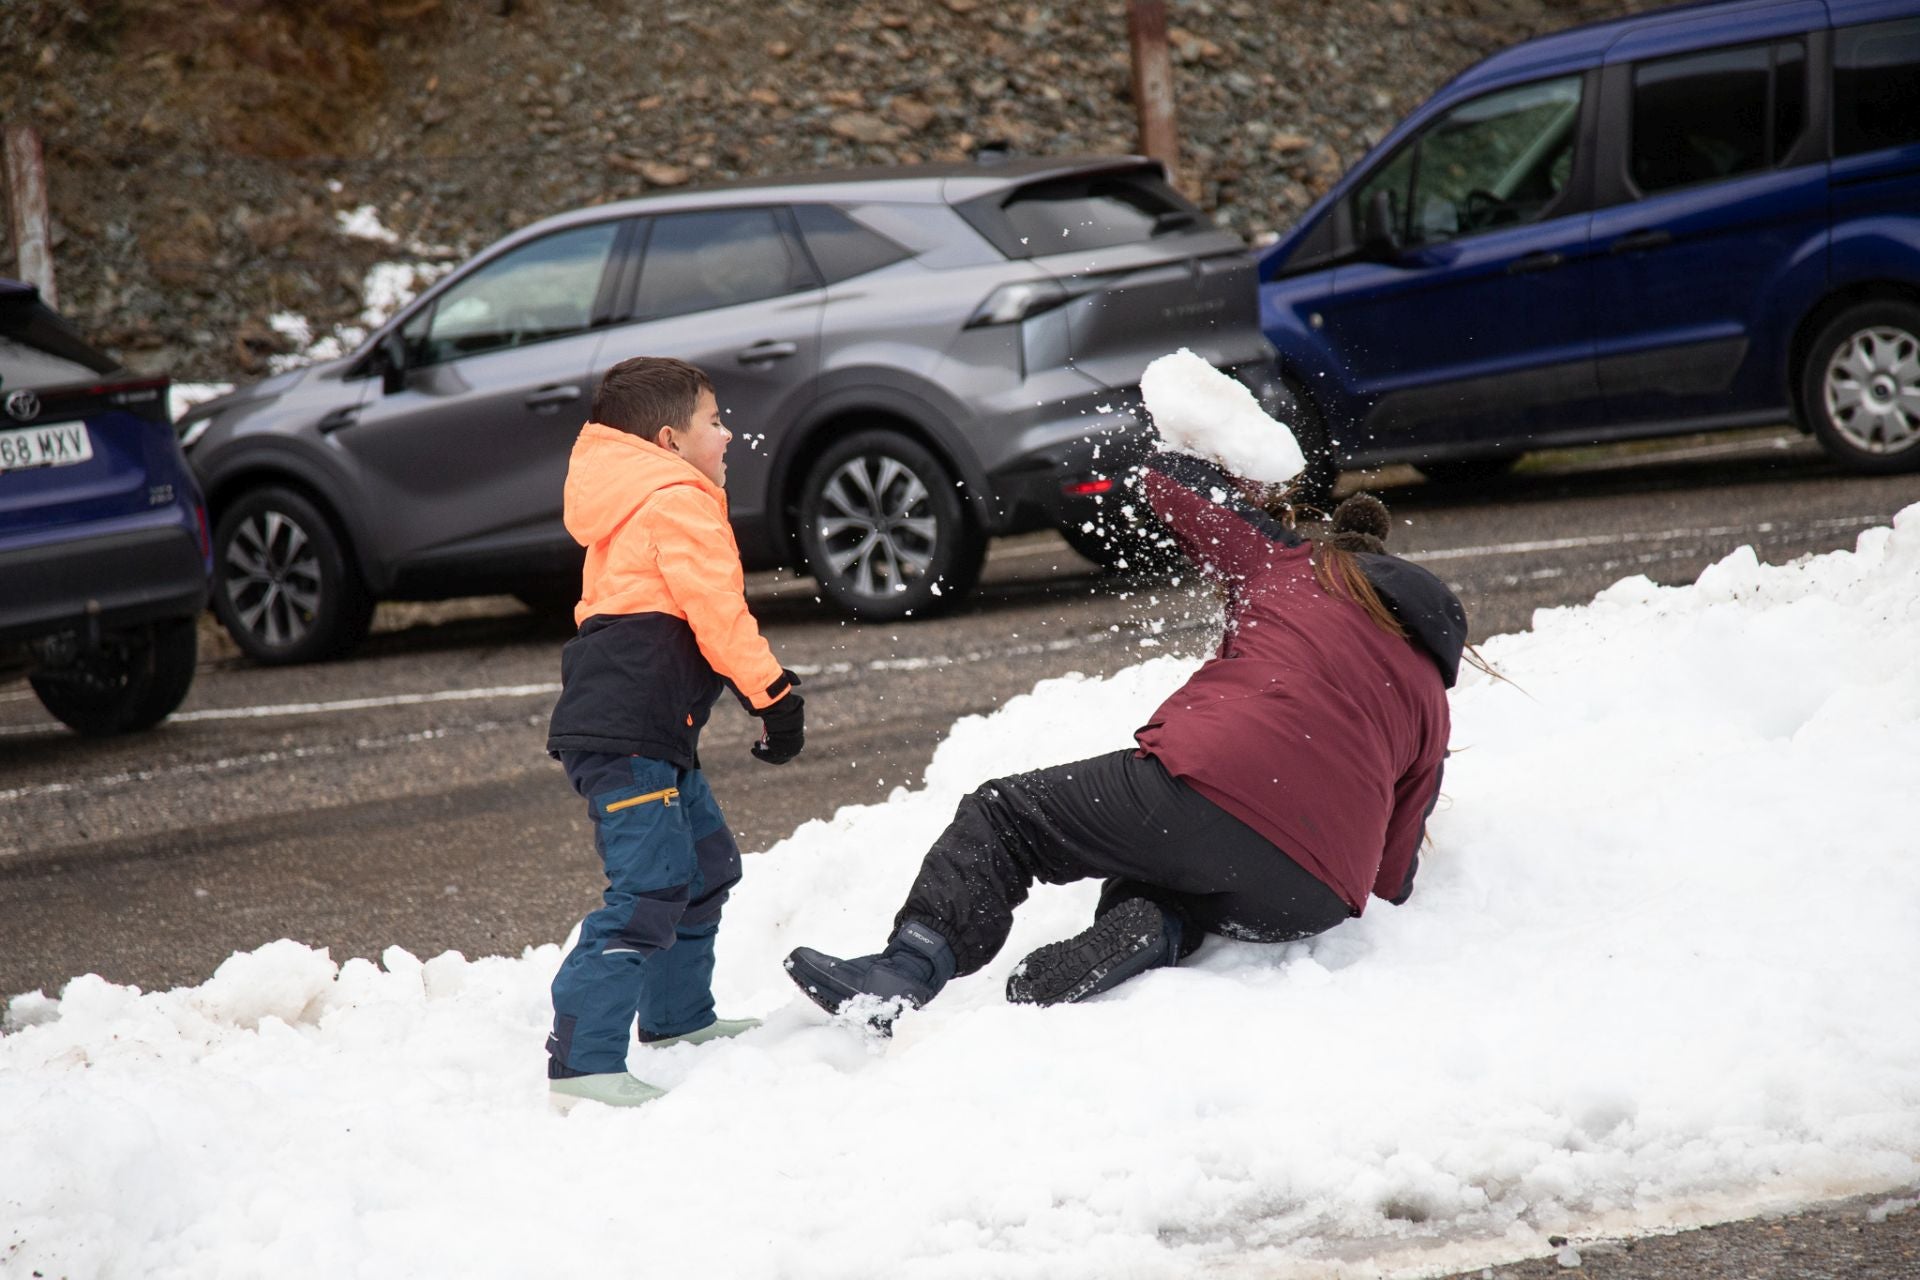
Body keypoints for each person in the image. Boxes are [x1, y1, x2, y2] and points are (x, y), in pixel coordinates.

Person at [784, 450, 1467, 1026]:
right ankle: (1156, 927)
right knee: (1173, 867)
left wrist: (1213, 452)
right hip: (1310, 893)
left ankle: (905, 972)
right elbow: (1389, 877)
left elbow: (1171, 482)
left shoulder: (1297, 568)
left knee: (1005, 817)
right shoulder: (1432, 702)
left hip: (1214, 784)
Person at [544, 356, 805, 1108]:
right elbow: (718, 616)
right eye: (714, 422)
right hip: (630, 739)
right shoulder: (677, 502)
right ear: (669, 440)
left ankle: (675, 1018)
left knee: (705, 865)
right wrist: (775, 698)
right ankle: (583, 1063)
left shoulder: (637, 500)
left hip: (653, 735)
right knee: (651, 885)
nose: (728, 436)